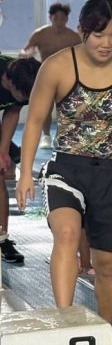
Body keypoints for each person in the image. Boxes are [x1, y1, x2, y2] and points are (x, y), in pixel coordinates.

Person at [16, 0, 112, 345]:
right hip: (65, 168)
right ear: (82, 31)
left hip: (110, 172)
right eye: (98, 35)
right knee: (66, 234)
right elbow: (34, 121)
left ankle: (105, 331)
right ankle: (65, 326)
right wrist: (25, 173)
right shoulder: (57, 66)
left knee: (107, 264)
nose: (106, 44)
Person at [21, 2, 82, 150]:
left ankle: (65, 135)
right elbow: (26, 49)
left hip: (67, 76)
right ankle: (46, 136)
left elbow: (83, 57)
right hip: (45, 75)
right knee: (46, 107)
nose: (59, 22)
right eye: (56, 18)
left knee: (67, 107)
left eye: (63, 19)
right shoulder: (40, 34)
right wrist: (26, 54)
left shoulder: (73, 37)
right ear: (51, 18)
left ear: (67, 19)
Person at [0, 57, 41, 265]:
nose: (26, 101)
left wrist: (3, 152)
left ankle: (1, 238)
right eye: (23, 96)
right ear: (8, 82)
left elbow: (12, 111)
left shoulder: (24, 78)